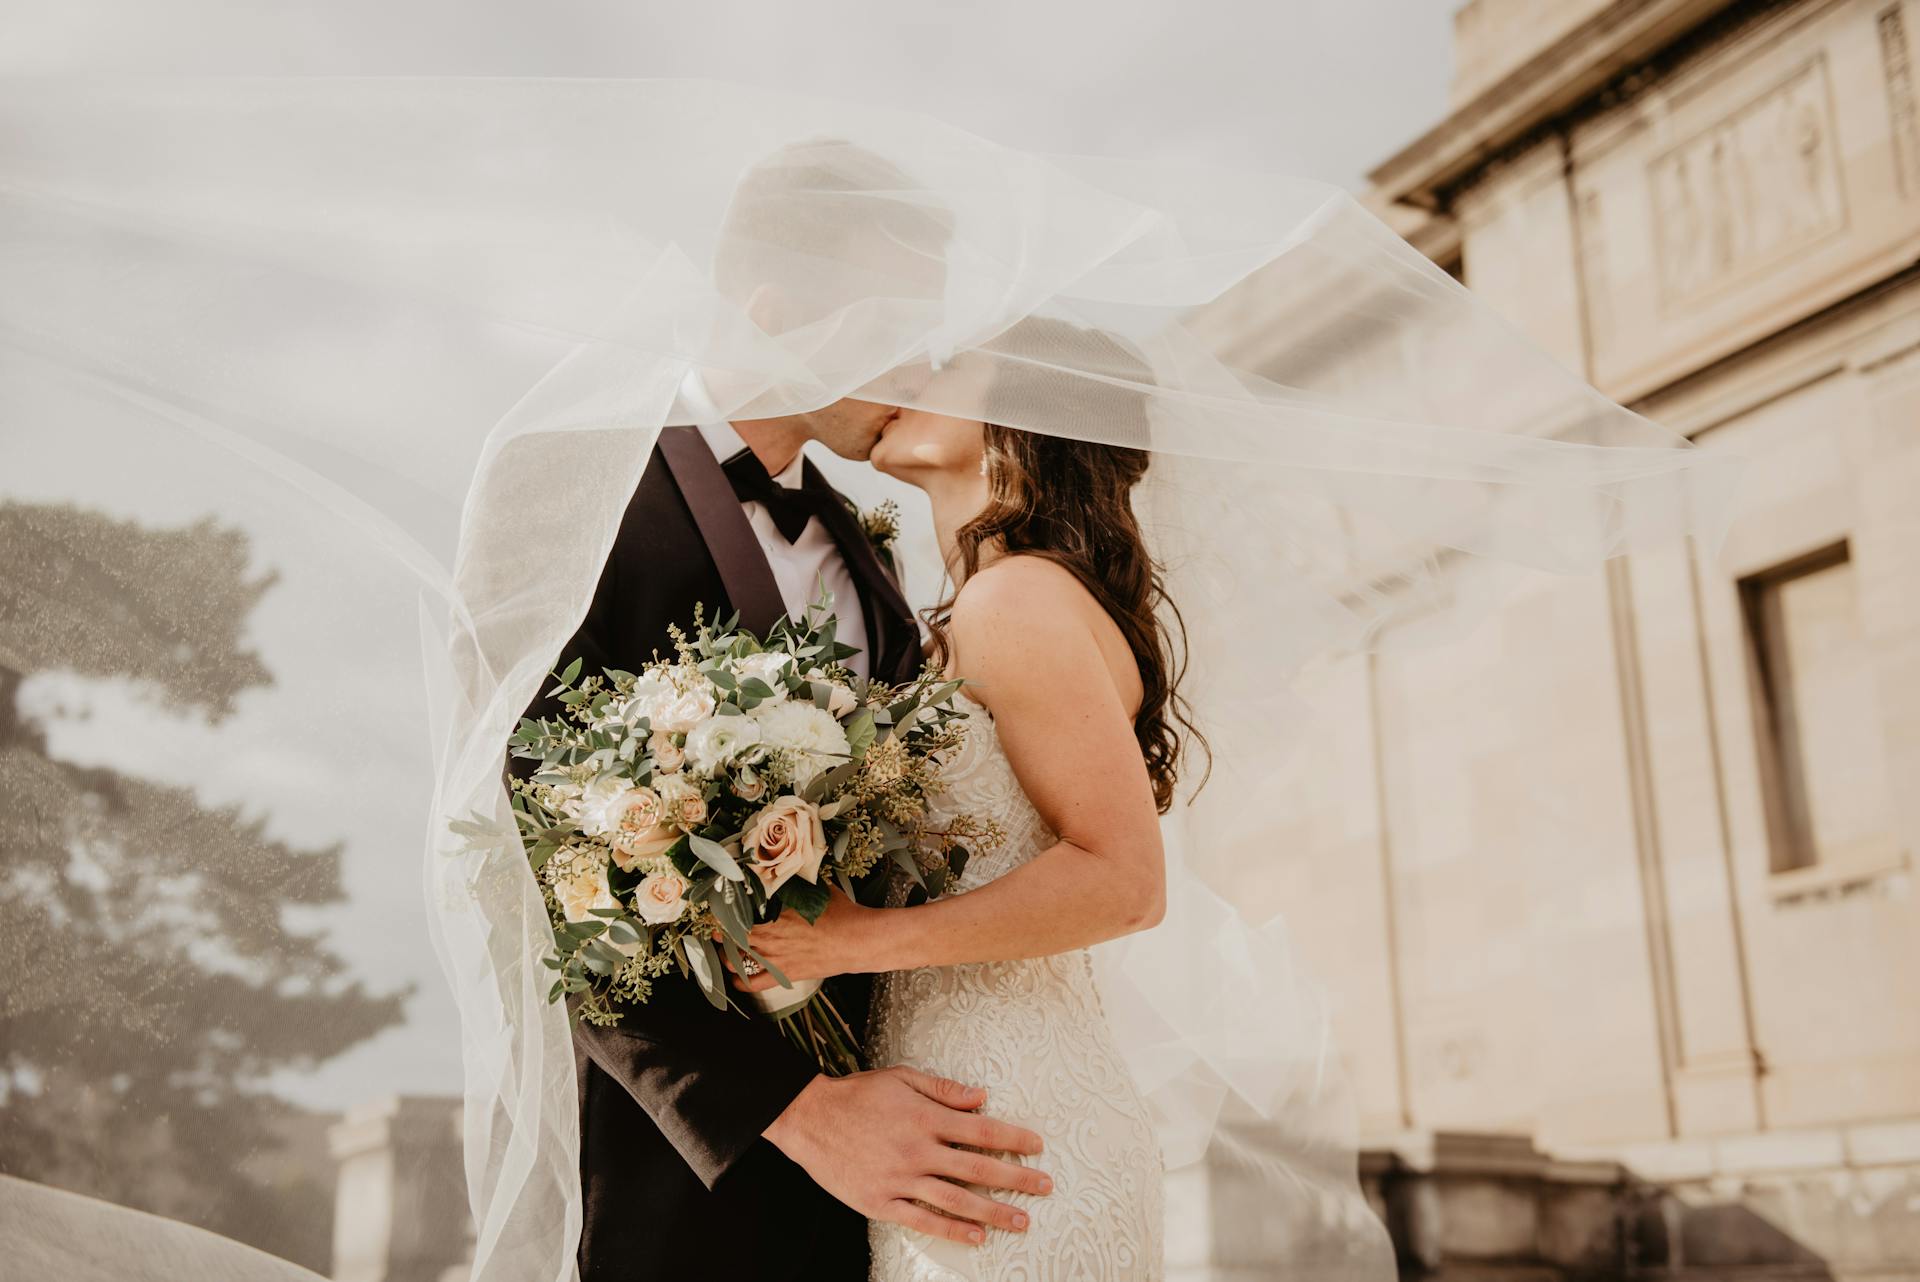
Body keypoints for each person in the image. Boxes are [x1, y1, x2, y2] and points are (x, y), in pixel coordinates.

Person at [512, 140, 1051, 1282]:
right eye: (896, 324)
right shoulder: (567, 487)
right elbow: (535, 847)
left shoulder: (873, 558)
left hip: (901, 1180)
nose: (923, 362)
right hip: (684, 1182)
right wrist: (801, 1113)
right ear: (775, 310)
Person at [732, 325, 1193, 1280]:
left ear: (1022, 418)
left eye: (940, 364)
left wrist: (853, 941)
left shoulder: (1016, 601)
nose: (898, 373)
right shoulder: (969, 607)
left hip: (1010, 1119)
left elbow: (1125, 880)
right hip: (955, 1106)